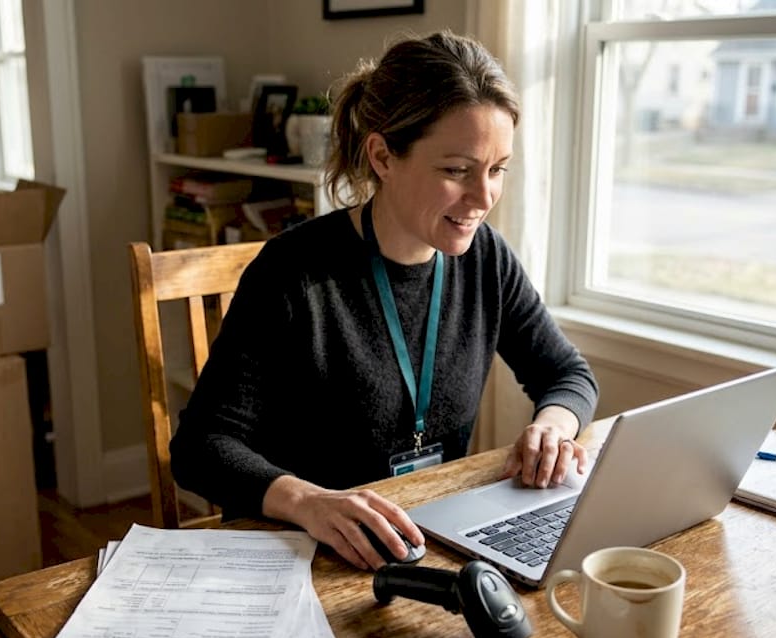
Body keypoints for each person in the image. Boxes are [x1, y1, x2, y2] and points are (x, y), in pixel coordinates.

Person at [171, 30, 598, 571]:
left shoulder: (485, 258)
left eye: (497, 170)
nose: (484, 198)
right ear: (382, 156)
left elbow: (568, 374)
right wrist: (308, 500)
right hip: (299, 557)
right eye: (457, 170)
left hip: (421, 545)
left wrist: (553, 428)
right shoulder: (291, 272)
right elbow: (200, 447)